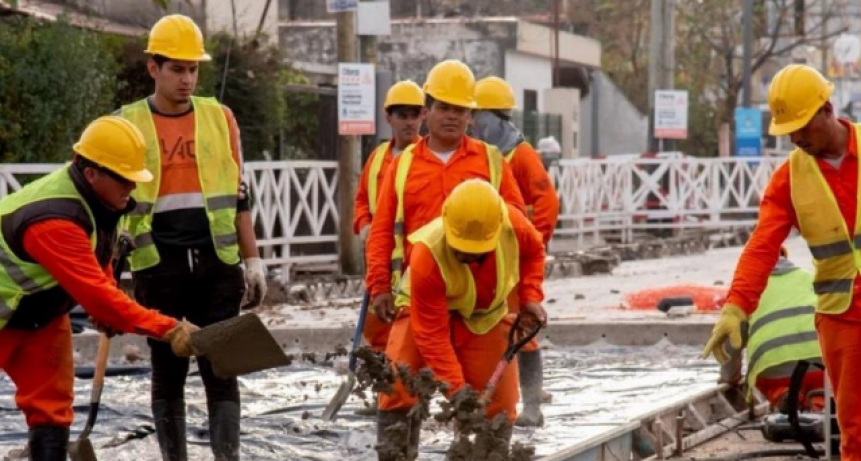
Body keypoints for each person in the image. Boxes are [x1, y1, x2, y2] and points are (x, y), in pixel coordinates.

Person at [0, 116, 198, 461]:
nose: (131, 188)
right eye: (125, 179)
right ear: (91, 173)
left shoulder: (102, 200)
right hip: (13, 308)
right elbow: (96, 292)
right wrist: (168, 328)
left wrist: (105, 304)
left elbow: (98, 257)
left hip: (36, 310)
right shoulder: (54, 221)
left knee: (52, 405)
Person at [118, 14, 265, 461]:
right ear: (153, 68)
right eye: (176, 69)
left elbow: (237, 197)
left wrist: (253, 259)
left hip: (217, 263)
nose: (187, 79)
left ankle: (227, 456)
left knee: (223, 368)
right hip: (157, 266)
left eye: (193, 69)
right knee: (168, 369)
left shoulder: (220, 119)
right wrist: (109, 268)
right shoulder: (127, 125)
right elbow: (111, 208)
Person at [702, 64, 860, 459]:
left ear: (828, 109)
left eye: (803, 126)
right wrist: (736, 306)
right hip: (843, 317)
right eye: (789, 129)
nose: (795, 137)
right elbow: (762, 246)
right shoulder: (789, 178)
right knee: (856, 431)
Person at [377, 180, 547, 458]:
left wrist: (530, 296)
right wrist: (458, 393)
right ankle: (396, 454)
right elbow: (432, 336)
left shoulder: (514, 226)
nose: (467, 255)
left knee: (499, 403)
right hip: (422, 310)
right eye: (461, 249)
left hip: (485, 314)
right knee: (399, 382)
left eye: (477, 251)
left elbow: (534, 252)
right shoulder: (426, 254)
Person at [365, 59, 526, 329]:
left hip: (480, 301)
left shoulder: (491, 161)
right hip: (419, 293)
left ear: (470, 116)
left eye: (459, 109)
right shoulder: (402, 165)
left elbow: (518, 228)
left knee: (482, 372)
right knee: (403, 370)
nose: (452, 115)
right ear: (427, 112)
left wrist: (524, 293)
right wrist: (379, 286)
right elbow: (382, 231)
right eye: (443, 107)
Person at [473, 75, 560, 426]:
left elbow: (546, 201)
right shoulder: (478, 153)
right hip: (482, 257)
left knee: (522, 325)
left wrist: (532, 243)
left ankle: (532, 406)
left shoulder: (520, 154)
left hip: (517, 257)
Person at [353, 80, 425, 353]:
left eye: (414, 115)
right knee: (377, 324)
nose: (409, 122)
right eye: (402, 116)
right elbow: (361, 199)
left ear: (423, 116)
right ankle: (382, 382)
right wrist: (364, 225)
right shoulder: (378, 158)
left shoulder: (425, 157)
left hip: (413, 259)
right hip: (381, 258)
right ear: (389, 118)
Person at [719, 248, 824, 413]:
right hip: (821, 364)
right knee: (823, 383)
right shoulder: (810, 278)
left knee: (767, 377)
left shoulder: (743, 292)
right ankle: (820, 401)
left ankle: (783, 394)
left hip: (774, 371)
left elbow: (732, 341)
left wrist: (729, 378)